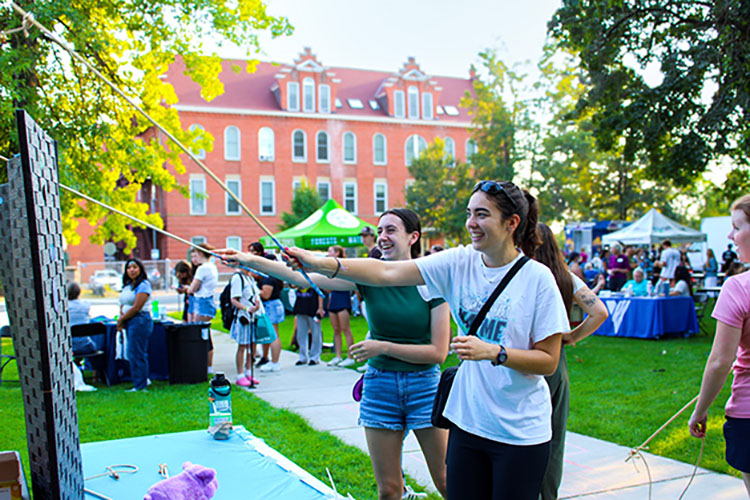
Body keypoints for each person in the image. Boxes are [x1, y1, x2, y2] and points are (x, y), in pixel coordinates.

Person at [271, 180, 570, 500]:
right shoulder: (459, 262)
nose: (471, 223)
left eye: (482, 215)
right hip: (468, 423)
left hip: (520, 432)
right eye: (470, 213)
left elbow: (548, 361)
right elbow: (386, 273)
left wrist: (493, 351)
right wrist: (320, 262)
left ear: (511, 223)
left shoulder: (537, 279)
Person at [217, 207, 452, 500]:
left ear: (413, 236)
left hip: (424, 387)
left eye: (391, 230)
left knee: (445, 480)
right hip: (380, 387)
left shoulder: (432, 281)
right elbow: (302, 277)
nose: (382, 237)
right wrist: (247, 259)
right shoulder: (367, 277)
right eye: (380, 231)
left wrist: (383, 347)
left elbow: (438, 353)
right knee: (389, 490)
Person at [534, 223, 609, 500]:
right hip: (557, 361)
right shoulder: (564, 277)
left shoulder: (526, 274)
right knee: (554, 437)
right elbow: (599, 311)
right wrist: (571, 337)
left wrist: (571, 337)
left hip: (529, 358)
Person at [689, 194, 750, 497]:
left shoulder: (738, 286)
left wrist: (700, 410)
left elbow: (719, 363)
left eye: (736, 227)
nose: (730, 236)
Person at [117, 258, 153, 392]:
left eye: (135, 267)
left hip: (140, 321)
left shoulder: (143, 285)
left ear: (140, 269)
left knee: (136, 353)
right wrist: (122, 317)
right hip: (129, 321)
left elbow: (137, 307)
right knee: (131, 352)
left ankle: (140, 385)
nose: (131, 270)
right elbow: (123, 304)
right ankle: (141, 381)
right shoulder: (127, 286)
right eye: (129, 268)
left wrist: (121, 319)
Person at [187, 243, 218, 374]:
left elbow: (192, 288)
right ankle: (208, 366)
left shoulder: (202, 269)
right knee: (206, 335)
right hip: (209, 301)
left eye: (195, 254)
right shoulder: (212, 267)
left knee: (200, 335)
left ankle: (203, 365)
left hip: (202, 302)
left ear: (200, 253)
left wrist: (188, 289)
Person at [229, 267, 260, 387]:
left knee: (252, 345)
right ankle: (240, 374)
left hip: (253, 316)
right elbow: (234, 300)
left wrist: (256, 307)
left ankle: (249, 371)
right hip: (243, 317)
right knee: (242, 345)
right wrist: (246, 308)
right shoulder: (238, 278)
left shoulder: (250, 278)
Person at [326, 245, 356, 367]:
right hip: (333, 299)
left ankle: (350, 356)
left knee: (345, 329)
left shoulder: (343, 266)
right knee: (336, 330)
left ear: (337, 253)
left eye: (330, 251)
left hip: (343, 299)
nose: (328, 254)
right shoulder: (329, 268)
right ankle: (338, 356)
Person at [258, 253, 285, 373]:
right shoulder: (276, 275)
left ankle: (275, 362)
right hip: (276, 305)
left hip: (271, 306)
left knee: (273, 335)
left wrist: (255, 289)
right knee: (274, 334)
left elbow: (266, 294)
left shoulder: (268, 278)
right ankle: (273, 361)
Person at [292, 285, 325, 366]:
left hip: (313, 307)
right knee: (301, 334)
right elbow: (293, 285)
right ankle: (302, 356)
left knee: (316, 333)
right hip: (301, 306)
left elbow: (320, 292)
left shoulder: (315, 277)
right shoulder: (299, 276)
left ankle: (315, 357)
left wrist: (320, 308)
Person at [67, 281, 96, 354]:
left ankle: (76, 364)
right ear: (79, 292)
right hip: (86, 346)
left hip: (70, 347)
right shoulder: (85, 305)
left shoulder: (65, 307)